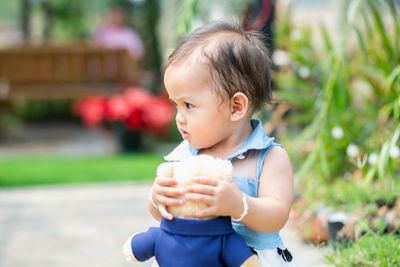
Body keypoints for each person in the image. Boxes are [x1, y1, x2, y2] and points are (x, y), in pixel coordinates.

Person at [148, 21, 295, 266]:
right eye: (176, 104)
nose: (179, 117)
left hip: (253, 258)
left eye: (189, 105)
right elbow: (162, 215)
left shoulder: (268, 157)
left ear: (236, 107)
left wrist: (239, 205)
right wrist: (158, 198)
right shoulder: (186, 156)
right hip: (195, 256)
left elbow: (277, 215)